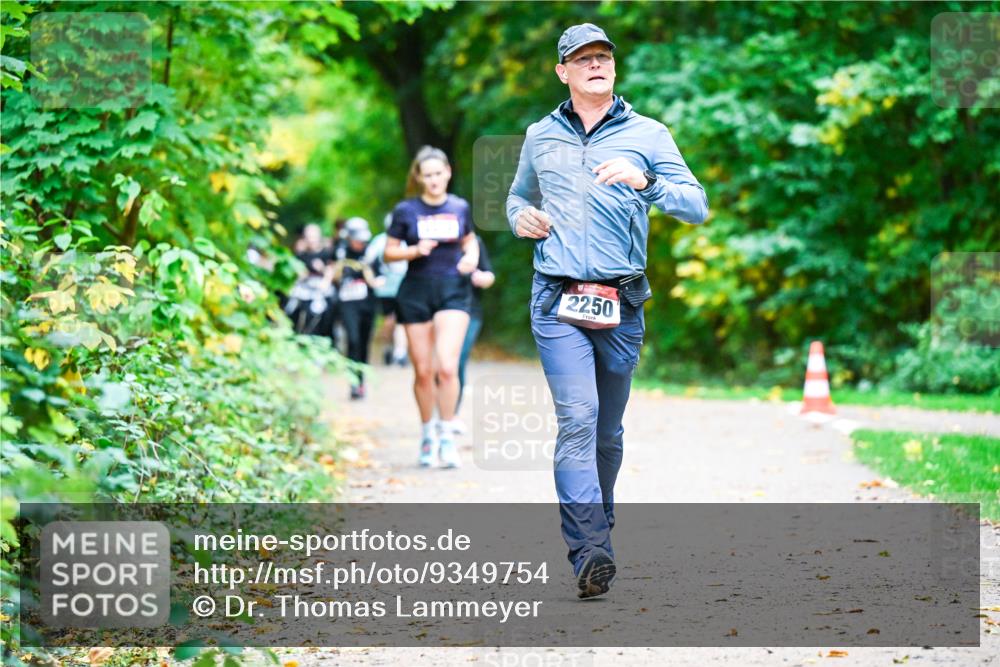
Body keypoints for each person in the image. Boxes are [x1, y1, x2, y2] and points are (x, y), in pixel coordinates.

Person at [506, 24, 709, 599]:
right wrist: (521, 216)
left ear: (613, 69)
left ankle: (599, 524)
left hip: (622, 299)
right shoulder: (540, 135)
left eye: (604, 57)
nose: (596, 65)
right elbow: (518, 196)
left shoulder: (649, 133)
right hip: (556, 297)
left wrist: (646, 183)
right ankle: (589, 550)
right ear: (563, 71)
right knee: (578, 417)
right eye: (583, 58)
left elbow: (696, 205)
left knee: (608, 432)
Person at [384, 146, 478, 469]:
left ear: (448, 172)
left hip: (453, 290)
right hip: (416, 291)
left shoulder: (460, 207)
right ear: (419, 178)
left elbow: (469, 240)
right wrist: (414, 250)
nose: (435, 180)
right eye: (428, 175)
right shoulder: (406, 211)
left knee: (447, 368)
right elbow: (388, 252)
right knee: (423, 372)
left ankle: (447, 434)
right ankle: (427, 434)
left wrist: (471, 258)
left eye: (439, 173)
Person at [332, 217, 382, 399]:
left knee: (363, 342)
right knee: (352, 340)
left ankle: (361, 382)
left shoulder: (371, 253)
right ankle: (353, 382)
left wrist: (373, 278)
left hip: (367, 302)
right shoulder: (340, 252)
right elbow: (333, 277)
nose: (360, 243)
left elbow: (379, 276)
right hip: (347, 303)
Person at [455, 234, 495, 415]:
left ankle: (451, 414)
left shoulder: (474, 242)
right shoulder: (429, 240)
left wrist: (483, 278)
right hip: (434, 311)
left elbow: (489, 274)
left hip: (470, 310)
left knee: (457, 361)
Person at [366, 213, 409, 367]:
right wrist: (372, 281)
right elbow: (367, 262)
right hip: (385, 289)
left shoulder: (406, 241)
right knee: (389, 320)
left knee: (401, 320)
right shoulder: (379, 241)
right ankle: (388, 348)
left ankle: (400, 352)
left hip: (403, 286)